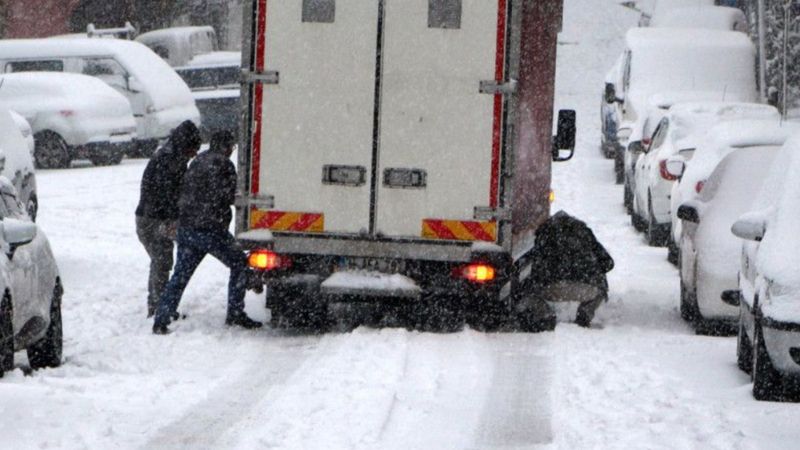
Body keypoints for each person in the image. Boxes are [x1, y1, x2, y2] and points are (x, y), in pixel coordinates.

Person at [152, 130, 262, 334]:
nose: (231, 151)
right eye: (231, 147)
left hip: (187, 228)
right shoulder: (223, 164)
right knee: (238, 263)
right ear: (226, 146)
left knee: (180, 276)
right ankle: (235, 313)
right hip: (211, 230)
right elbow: (228, 195)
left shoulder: (198, 161)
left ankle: (161, 319)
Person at [135, 120, 201, 317]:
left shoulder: (169, 155)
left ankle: (159, 304)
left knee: (161, 261)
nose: (195, 154)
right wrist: (177, 218)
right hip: (154, 220)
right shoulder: (170, 161)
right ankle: (158, 307)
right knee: (162, 261)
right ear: (185, 145)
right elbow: (169, 196)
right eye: (194, 149)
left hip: (149, 217)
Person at [530, 210, 614, 328]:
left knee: (528, 290)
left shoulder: (544, 233)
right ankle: (586, 311)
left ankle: (546, 314)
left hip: (550, 288)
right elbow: (608, 263)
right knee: (601, 286)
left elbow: (535, 265)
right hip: (587, 289)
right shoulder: (584, 232)